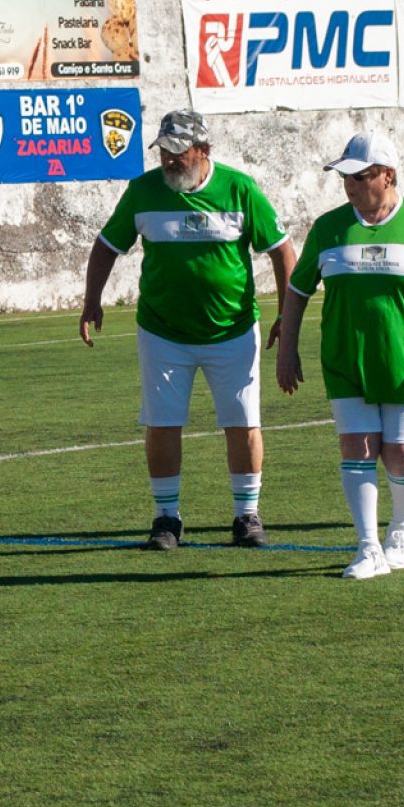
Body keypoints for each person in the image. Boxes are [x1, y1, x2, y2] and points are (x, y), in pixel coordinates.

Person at [79, 109, 296, 550]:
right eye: (164, 152)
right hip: (163, 334)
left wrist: (285, 315)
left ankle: (247, 515)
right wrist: (91, 301)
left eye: (179, 152)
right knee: (162, 424)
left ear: (203, 150)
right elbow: (106, 247)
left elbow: (281, 251)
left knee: (243, 422)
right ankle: (165, 519)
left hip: (232, 332)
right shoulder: (142, 191)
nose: (170, 161)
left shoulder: (240, 189)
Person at [277, 131, 404, 579]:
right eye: (344, 177)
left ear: (387, 176)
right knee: (358, 447)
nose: (349, 186)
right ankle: (368, 548)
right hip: (345, 360)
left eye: (359, 176)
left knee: (403, 454)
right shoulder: (328, 228)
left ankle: (401, 530)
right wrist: (287, 350)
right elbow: (297, 290)